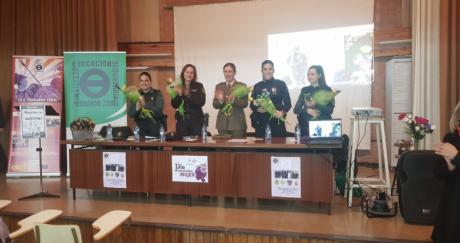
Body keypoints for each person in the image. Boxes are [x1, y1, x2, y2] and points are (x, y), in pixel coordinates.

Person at [432, 101, 460, 243]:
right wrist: (449, 165)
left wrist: (456, 157)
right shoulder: (451, 138)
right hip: (452, 205)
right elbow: (437, 172)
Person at [250, 60, 291, 137]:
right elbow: (252, 104)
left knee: (278, 147)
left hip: (277, 123)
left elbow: (288, 104)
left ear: (273, 70)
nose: (267, 71)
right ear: (262, 71)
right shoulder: (257, 86)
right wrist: (257, 109)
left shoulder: (281, 84)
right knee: (261, 148)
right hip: (262, 124)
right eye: (265, 69)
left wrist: (282, 112)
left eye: (270, 69)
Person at [293, 65, 335, 136]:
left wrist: (315, 104)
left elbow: (330, 110)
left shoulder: (328, 90)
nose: (309, 77)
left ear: (319, 75)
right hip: (306, 127)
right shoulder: (305, 90)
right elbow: (296, 109)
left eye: (312, 74)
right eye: (308, 74)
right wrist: (307, 110)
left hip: (323, 126)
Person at [212, 63, 248, 138]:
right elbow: (215, 105)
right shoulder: (219, 86)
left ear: (234, 72)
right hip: (222, 125)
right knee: (223, 149)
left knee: (238, 149)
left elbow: (245, 104)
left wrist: (234, 99)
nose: (227, 74)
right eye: (225, 71)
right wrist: (220, 101)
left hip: (238, 125)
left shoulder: (242, 86)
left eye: (230, 71)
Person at [171, 64, 206, 137]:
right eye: (187, 72)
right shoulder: (177, 86)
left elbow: (201, 102)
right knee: (182, 145)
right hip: (182, 121)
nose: (189, 74)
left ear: (194, 75)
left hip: (196, 120)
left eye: (191, 73)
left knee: (197, 145)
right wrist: (180, 94)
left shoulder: (199, 86)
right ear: (183, 73)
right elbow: (174, 105)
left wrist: (188, 95)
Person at [127, 72, 164, 137]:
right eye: (141, 80)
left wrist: (145, 105)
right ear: (139, 82)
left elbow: (159, 111)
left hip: (154, 129)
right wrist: (136, 108)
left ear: (150, 82)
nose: (144, 83)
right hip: (140, 130)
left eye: (146, 80)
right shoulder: (135, 94)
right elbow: (130, 114)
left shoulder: (157, 93)